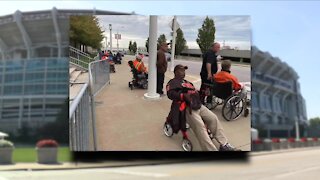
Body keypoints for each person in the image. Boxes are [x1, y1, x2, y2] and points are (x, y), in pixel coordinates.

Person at [166, 64, 240, 151]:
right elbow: (170, 94)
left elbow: (195, 92)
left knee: (213, 118)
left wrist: (203, 93)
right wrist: (182, 95)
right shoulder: (172, 82)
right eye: (180, 70)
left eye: (184, 70)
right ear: (175, 72)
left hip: (198, 105)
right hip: (186, 108)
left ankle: (224, 144)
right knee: (201, 128)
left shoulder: (188, 83)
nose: (183, 72)